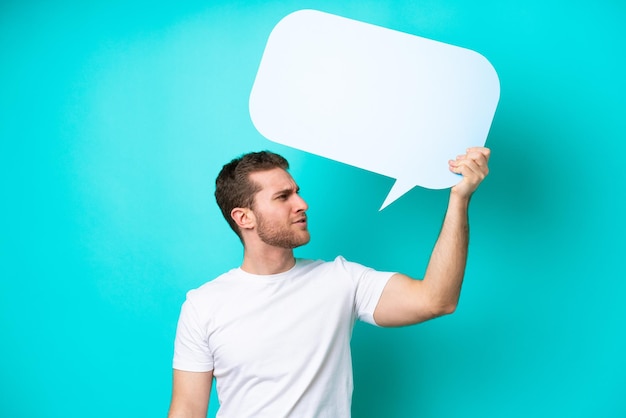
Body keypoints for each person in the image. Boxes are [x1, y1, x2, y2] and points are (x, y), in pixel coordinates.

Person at [168, 147, 491, 417]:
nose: (301, 204)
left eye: (297, 191)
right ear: (244, 218)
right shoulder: (204, 304)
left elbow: (436, 300)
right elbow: (186, 409)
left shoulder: (341, 280)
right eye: (283, 197)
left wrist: (459, 199)